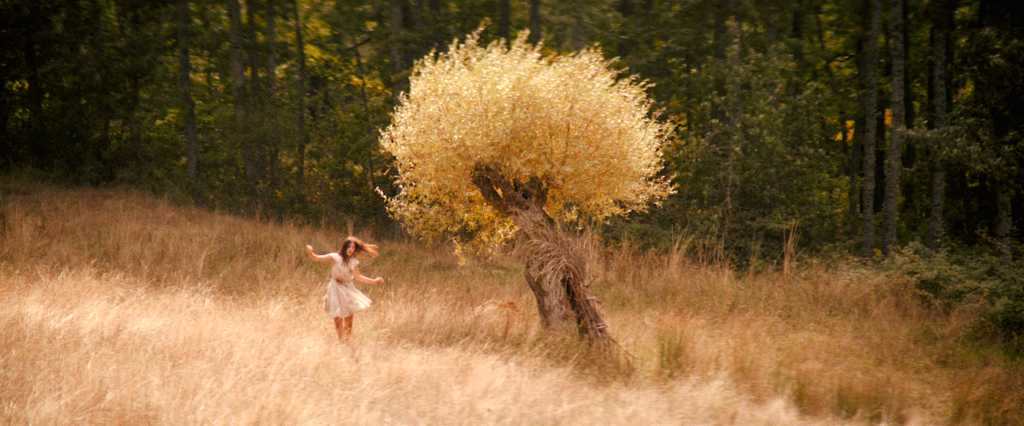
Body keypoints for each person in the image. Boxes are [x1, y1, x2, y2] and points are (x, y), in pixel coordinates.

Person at [305, 237, 384, 342]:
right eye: (349, 247)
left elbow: (358, 277)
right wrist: (310, 252)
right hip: (335, 287)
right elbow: (316, 258)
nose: (351, 249)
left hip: (347, 288)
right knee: (337, 315)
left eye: (353, 247)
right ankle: (341, 340)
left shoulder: (353, 262)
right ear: (344, 247)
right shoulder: (335, 257)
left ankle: (347, 339)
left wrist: (374, 281)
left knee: (349, 314)